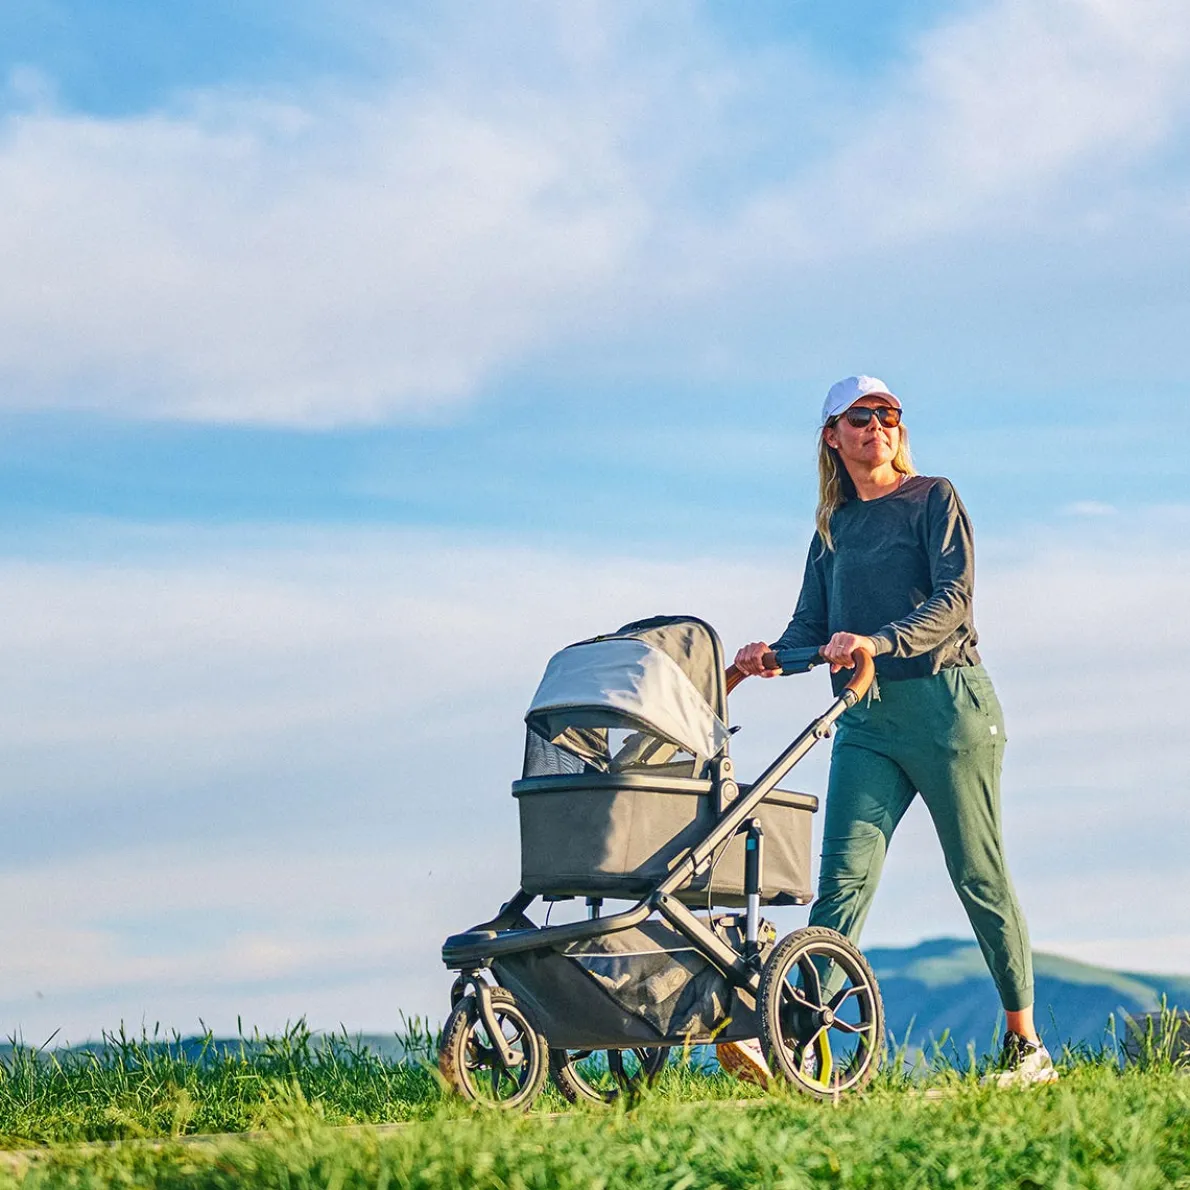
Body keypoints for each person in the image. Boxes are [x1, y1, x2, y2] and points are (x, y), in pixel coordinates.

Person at [717, 375, 1057, 1088]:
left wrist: (877, 640)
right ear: (832, 436)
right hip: (866, 721)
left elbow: (953, 601)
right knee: (840, 885)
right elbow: (813, 628)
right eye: (861, 416)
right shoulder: (833, 528)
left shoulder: (932, 498)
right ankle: (797, 1040)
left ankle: (1026, 1049)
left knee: (978, 874)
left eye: (889, 414)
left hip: (948, 709)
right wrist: (766, 659)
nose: (878, 425)